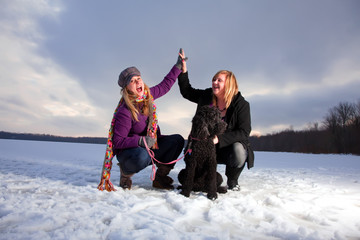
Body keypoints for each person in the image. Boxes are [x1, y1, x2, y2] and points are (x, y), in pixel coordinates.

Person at [99, 49, 185, 191]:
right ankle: (125, 173)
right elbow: (118, 141)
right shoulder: (125, 111)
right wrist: (140, 141)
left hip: (150, 145)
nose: (137, 82)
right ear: (127, 88)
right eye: (132, 81)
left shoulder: (148, 95)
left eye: (138, 78)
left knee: (177, 140)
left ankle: (160, 177)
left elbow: (165, 85)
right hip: (131, 152)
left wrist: (178, 66)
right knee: (142, 156)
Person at [177, 49, 254, 191]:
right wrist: (183, 71)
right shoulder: (206, 96)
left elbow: (244, 132)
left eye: (219, 80)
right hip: (203, 145)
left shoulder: (241, 105)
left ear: (229, 84)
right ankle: (199, 179)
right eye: (214, 79)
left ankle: (232, 180)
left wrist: (218, 138)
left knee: (239, 150)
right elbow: (187, 91)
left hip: (225, 147)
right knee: (193, 156)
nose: (214, 82)